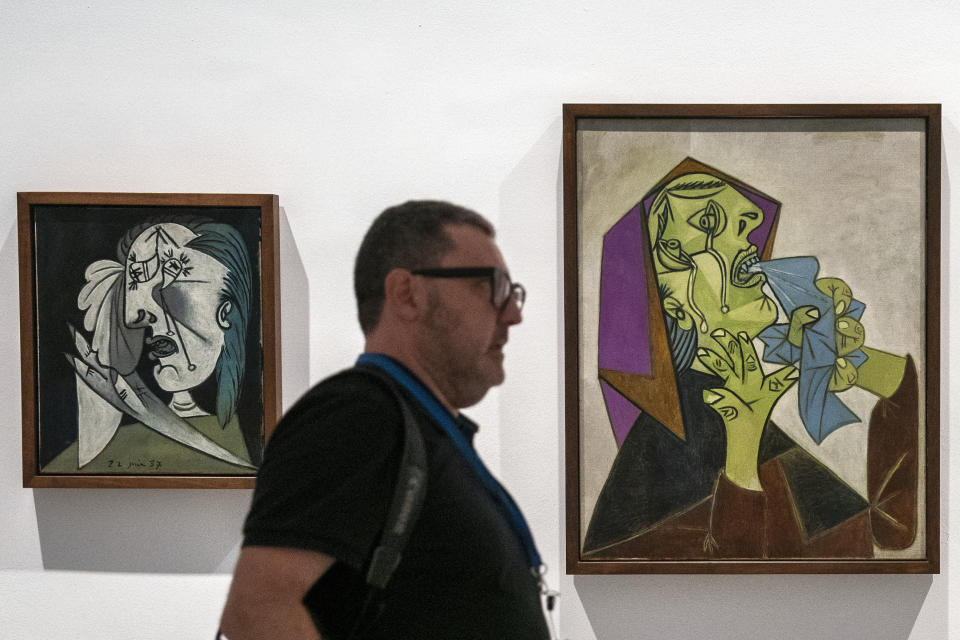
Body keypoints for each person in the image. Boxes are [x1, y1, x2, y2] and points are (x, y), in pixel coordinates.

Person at [220, 201, 550, 639]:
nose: (513, 313)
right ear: (407, 294)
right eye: (492, 286)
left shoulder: (413, 427)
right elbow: (258, 614)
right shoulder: (357, 414)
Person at [584, 159, 918, 559]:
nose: (752, 221)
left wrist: (843, 357)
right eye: (707, 222)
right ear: (673, 306)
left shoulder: (756, 427)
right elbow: (716, 583)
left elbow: (891, 531)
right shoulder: (661, 450)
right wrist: (742, 443)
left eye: (743, 221)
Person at [46, 218, 256, 473]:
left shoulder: (253, 445)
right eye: (135, 288)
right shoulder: (93, 457)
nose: (136, 316)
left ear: (225, 313)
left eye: (168, 283)